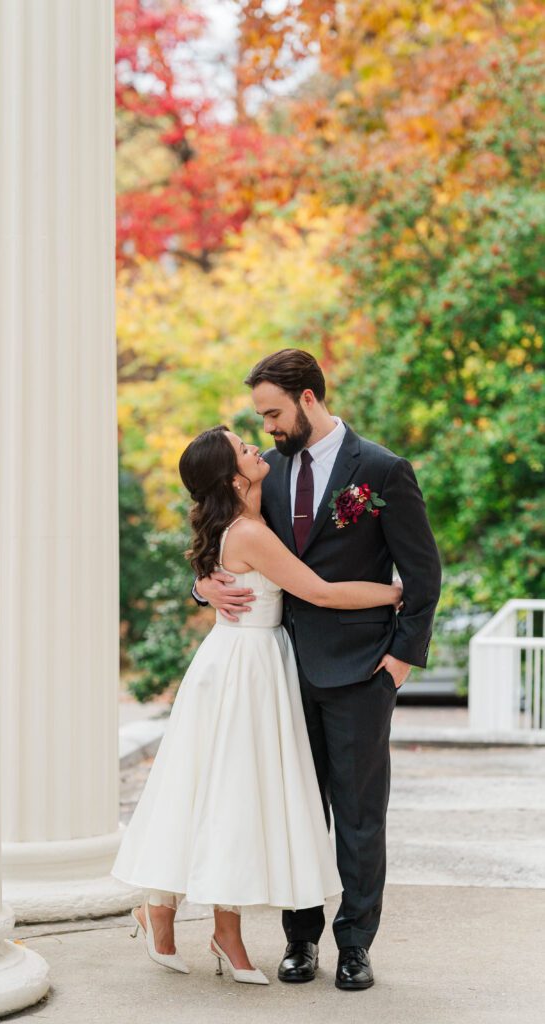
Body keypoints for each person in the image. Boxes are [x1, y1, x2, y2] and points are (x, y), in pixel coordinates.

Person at [111, 424, 403, 985]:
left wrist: (204, 583)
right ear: (233, 476)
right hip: (245, 665)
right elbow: (316, 589)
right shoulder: (247, 528)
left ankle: (171, 914)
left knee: (216, 790)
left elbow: (216, 555)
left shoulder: (259, 494)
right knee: (227, 792)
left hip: (255, 660)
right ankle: (207, 925)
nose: (257, 445)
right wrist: (395, 592)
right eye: (245, 446)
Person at [195, 349, 442, 990]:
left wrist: (400, 659)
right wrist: (204, 587)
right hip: (281, 672)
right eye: (261, 417)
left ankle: (355, 945)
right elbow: (215, 534)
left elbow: (423, 572)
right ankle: (300, 941)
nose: (268, 427)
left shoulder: (384, 470)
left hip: (363, 670)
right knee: (296, 809)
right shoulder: (264, 473)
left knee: (360, 815)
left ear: (308, 398)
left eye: (274, 413)